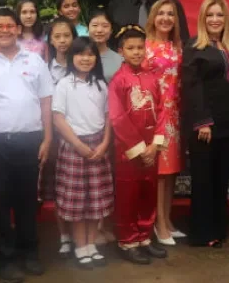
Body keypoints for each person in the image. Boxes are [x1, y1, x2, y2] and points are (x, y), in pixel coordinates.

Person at [0, 9, 53, 282]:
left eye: (9, 26)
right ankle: (4, 259)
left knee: (28, 202)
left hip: (29, 140)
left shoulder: (35, 61)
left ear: (18, 29)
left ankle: (29, 253)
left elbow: (45, 102)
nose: (5, 30)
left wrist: (48, 138)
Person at [181, 0, 229, 248]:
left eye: (219, 15)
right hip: (203, 125)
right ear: (203, 19)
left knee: (220, 179)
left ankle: (218, 227)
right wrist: (202, 121)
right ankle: (202, 232)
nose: (215, 20)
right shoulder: (195, 46)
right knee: (204, 180)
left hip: (226, 123)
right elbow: (192, 87)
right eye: (210, 15)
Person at [109, 25, 170, 264]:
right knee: (128, 195)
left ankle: (145, 236)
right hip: (129, 152)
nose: (136, 52)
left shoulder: (152, 77)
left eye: (139, 48)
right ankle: (127, 240)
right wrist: (138, 148)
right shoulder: (118, 81)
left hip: (151, 149)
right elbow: (117, 117)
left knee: (148, 192)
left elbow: (164, 110)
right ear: (121, 51)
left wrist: (155, 145)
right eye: (130, 48)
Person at [53, 37, 115, 269]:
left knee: (95, 201)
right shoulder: (64, 84)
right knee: (78, 203)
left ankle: (91, 244)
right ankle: (80, 246)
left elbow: (109, 116)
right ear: (72, 58)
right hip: (73, 147)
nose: (86, 58)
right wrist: (78, 145)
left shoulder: (100, 85)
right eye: (80, 54)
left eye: (90, 55)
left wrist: (105, 142)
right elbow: (58, 118)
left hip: (98, 145)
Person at [143, 0, 186, 245]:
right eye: (161, 13)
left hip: (175, 115)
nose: (166, 18)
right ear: (153, 17)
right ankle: (158, 224)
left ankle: (167, 219)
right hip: (155, 116)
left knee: (171, 172)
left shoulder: (177, 47)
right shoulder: (145, 47)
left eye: (171, 14)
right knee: (159, 172)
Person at [39, 17, 78, 258]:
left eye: (67, 36)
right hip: (55, 136)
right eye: (57, 37)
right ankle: (64, 236)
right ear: (50, 41)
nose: (63, 41)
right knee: (60, 187)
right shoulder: (44, 69)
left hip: (81, 134)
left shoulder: (84, 64)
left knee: (78, 187)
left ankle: (82, 235)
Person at [88, 8, 123, 83]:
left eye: (105, 26)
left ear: (111, 31)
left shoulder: (120, 61)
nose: (99, 30)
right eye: (95, 25)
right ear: (88, 28)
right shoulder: (78, 57)